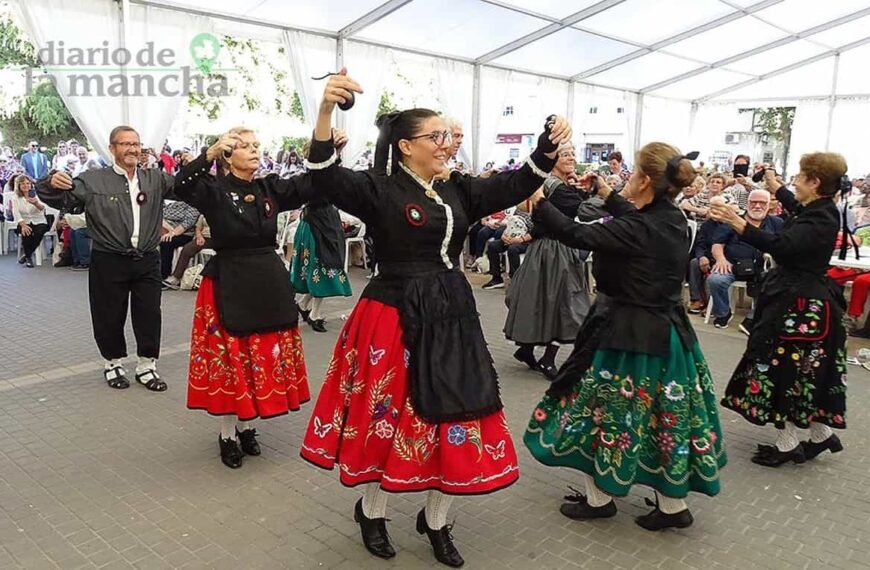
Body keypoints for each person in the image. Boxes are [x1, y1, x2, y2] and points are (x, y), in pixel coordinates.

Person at [299, 69, 570, 566]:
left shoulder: (457, 189)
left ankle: (437, 519)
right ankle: (372, 510)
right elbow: (324, 177)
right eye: (437, 136)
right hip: (394, 314)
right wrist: (323, 112)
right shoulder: (378, 188)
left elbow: (516, 182)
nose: (448, 143)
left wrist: (547, 144)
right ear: (406, 146)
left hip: (450, 313)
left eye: (448, 135)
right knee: (391, 416)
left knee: (456, 411)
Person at [524, 143, 725, 531]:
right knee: (663, 418)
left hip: (628, 336)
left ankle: (600, 499)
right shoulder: (671, 218)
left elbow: (575, 233)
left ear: (646, 180)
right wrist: (605, 192)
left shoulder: (639, 227)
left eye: (633, 171)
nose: (628, 177)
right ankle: (673, 505)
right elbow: (634, 218)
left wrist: (537, 198)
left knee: (604, 415)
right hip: (667, 334)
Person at [175, 127, 316, 469]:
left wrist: (327, 149)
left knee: (258, 358)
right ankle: (227, 434)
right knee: (233, 362)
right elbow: (180, 185)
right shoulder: (212, 189)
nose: (254, 150)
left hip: (266, 281)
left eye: (256, 145)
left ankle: (247, 426)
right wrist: (208, 154)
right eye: (244, 146)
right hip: (228, 282)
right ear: (227, 155)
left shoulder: (270, 188)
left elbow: (314, 183)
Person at [710, 155, 848, 467]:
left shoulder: (821, 218)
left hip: (802, 308)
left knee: (783, 371)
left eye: (800, 176)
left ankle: (788, 444)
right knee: (802, 373)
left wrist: (737, 222)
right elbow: (797, 207)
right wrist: (776, 186)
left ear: (814, 182)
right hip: (800, 301)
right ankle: (821, 435)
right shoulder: (818, 209)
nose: (795, 181)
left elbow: (781, 245)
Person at [37, 126, 174, 392]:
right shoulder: (93, 180)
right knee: (108, 314)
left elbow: (187, 185)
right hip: (109, 259)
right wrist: (50, 181)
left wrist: (208, 159)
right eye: (125, 144)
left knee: (149, 314)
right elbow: (60, 197)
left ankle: (147, 366)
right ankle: (113, 364)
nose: (132, 149)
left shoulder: (155, 178)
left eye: (135, 143)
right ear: (112, 149)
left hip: (147, 258)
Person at [503, 142, 591, 379]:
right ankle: (548, 359)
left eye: (573, 153)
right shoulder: (558, 189)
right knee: (564, 305)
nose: (571, 157)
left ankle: (527, 350)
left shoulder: (553, 185)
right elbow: (581, 210)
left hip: (547, 250)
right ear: (554, 160)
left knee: (544, 301)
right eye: (565, 154)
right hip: (556, 251)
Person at [290, 142, 352, 333]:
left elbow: (332, 174)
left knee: (324, 267)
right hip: (316, 225)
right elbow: (325, 179)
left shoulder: (324, 174)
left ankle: (304, 305)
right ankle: (314, 313)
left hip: (327, 223)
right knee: (319, 268)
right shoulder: (312, 176)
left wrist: (337, 152)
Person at [707, 189, 783, 332]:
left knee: (775, 284)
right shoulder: (733, 220)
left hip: (762, 268)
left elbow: (782, 245)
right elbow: (717, 244)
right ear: (747, 203)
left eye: (762, 203)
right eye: (754, 202)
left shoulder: (777, 223)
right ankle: (723, 313)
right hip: (732, 265)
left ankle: (752, 318)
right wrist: (721, 259)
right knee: (715, 279)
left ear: (769, 205)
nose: (757, 206)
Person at [11, 176, 49, 268]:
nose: (26, 185)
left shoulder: (36, 194)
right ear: (19, 186)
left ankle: (27, 255)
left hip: (39, 220)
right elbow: (15, 212)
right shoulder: (15, 197)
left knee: (39, 231)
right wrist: (23, 224)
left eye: (28, 183)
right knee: (26, 231)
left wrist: (36, 203)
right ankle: (29, 258)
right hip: (24, 221)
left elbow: (43, 208)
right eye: (23, 184)